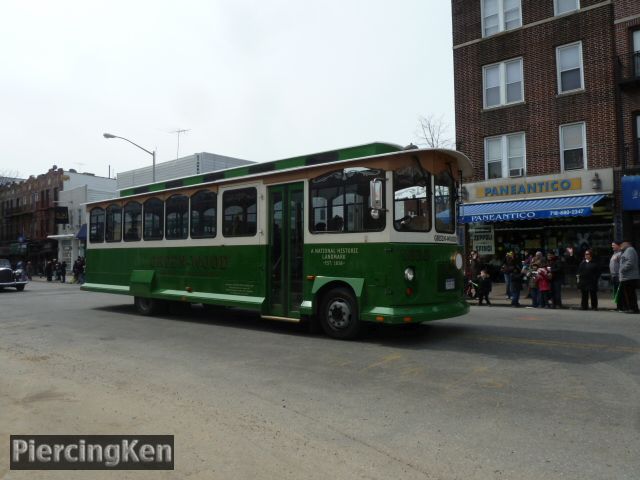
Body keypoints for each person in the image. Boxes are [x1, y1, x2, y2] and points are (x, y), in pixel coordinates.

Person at [619, 241, 640, 314]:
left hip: (629, 277)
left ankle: (633, 308)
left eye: (622, 244)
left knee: (630, 294)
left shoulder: (630, 250)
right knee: (629, 294)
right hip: (627, 277)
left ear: (627, 244)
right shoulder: (626, 251)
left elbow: (630, 262)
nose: (621, 245)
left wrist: (622, 269)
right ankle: (631, 308)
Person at [609, 241, 625, 311]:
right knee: (616, 292)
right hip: (614, 276)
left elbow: (622, 265)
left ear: (618, 246)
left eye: (614, 245)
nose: (612, 246)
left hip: (618, 276)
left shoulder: (621, 254)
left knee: (620, 292)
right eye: (612, 245)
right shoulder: (614, 254)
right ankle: (618, 306)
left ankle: (622, 307)